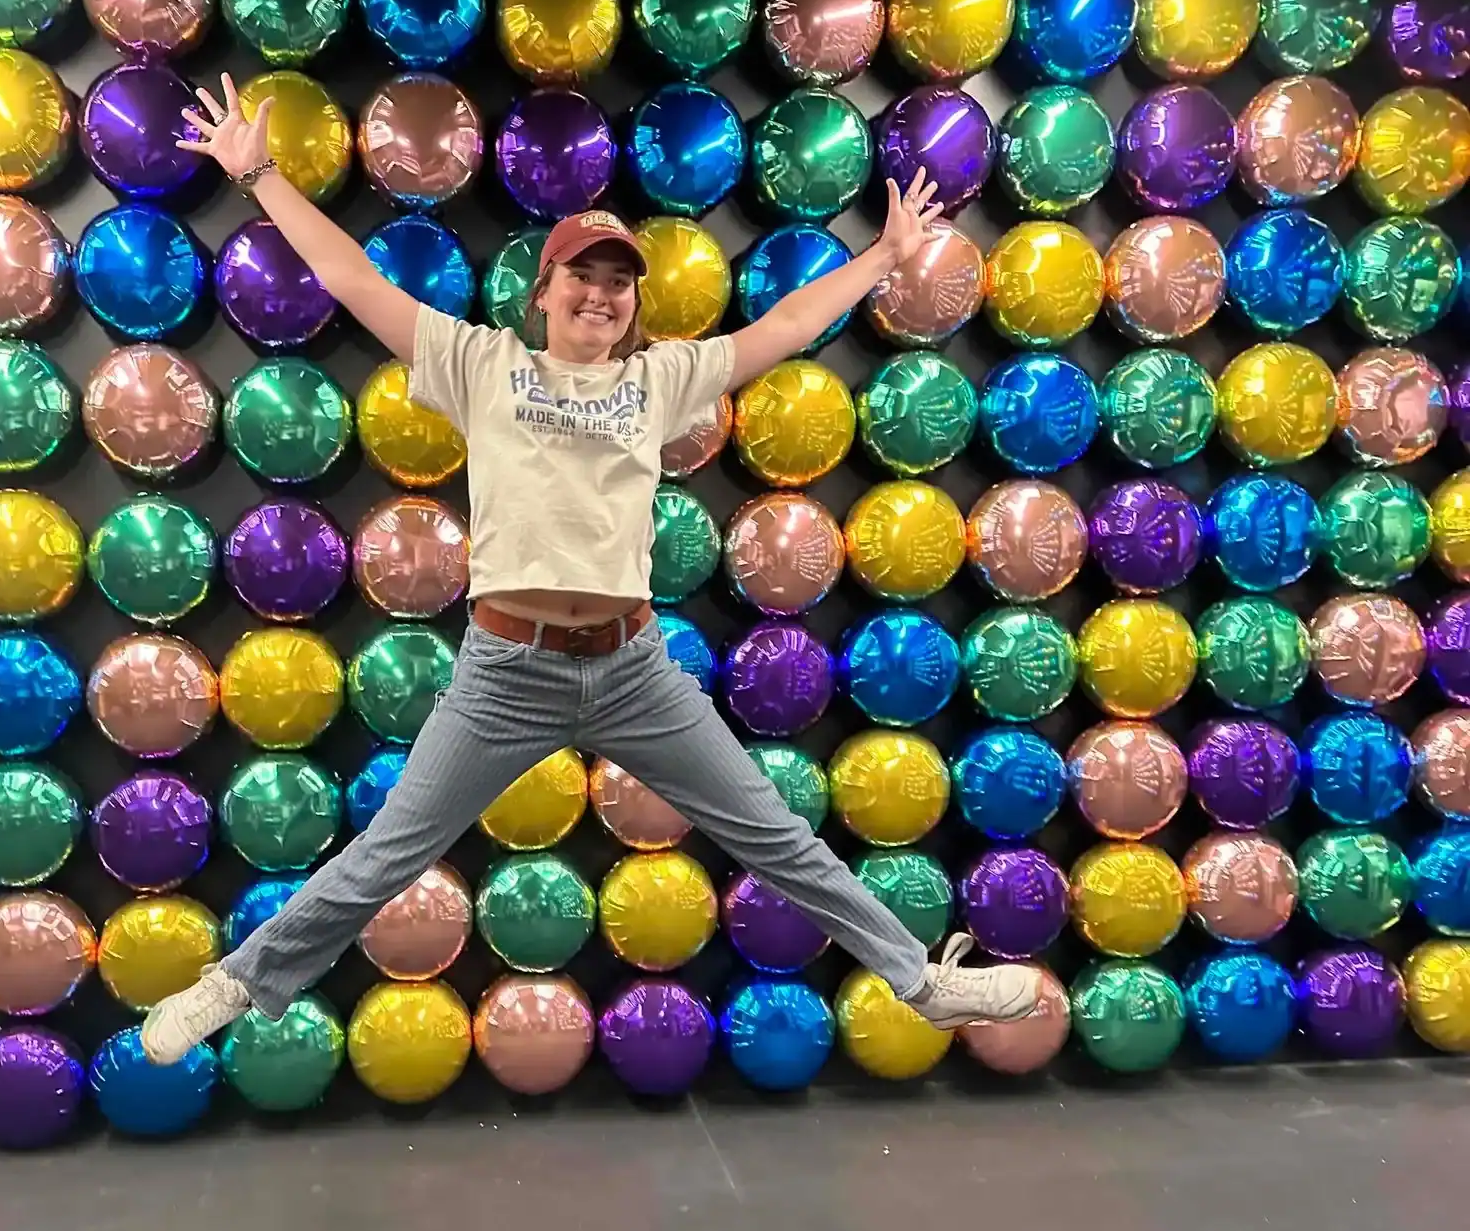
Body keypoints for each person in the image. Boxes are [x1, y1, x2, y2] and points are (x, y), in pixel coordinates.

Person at [142, 73, 1043, 1066]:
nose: (602, 295)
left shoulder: (660, 380)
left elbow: (783, 330)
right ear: (545, 292)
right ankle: (234, 984)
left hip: (633, 671)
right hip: (505, 674)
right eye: (584, 276)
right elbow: (355, 279)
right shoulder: (485, 366)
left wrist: (882, 255)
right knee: (388, 852)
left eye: (620, 284)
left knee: (775, 836)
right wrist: (261, 174)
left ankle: (924, 982)